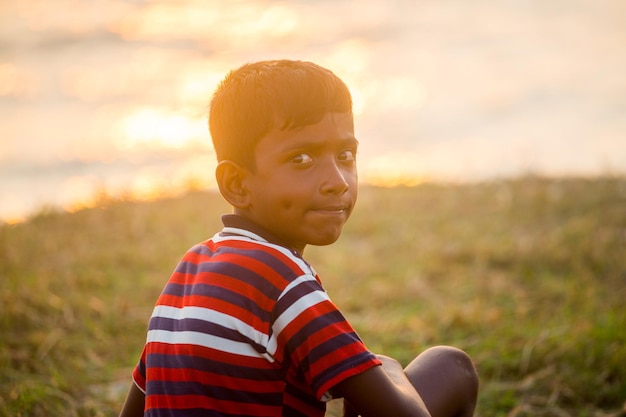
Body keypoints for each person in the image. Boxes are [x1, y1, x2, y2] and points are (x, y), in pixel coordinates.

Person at [119, 59, 478, 417]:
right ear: (237, 184)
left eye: (346, 155)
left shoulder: (188, 270)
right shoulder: (281, 282)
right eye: (302, 158)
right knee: (450, 366)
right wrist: (388, 368)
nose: (337, 179)